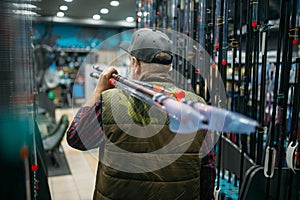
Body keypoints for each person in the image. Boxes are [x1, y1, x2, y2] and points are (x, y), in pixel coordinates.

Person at [67, 28, 216, 199]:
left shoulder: (109, 101)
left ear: (134, 62)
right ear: (169, 66)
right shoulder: (198, 105)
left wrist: (97, 93)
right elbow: (207, 168)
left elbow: (76, 139)